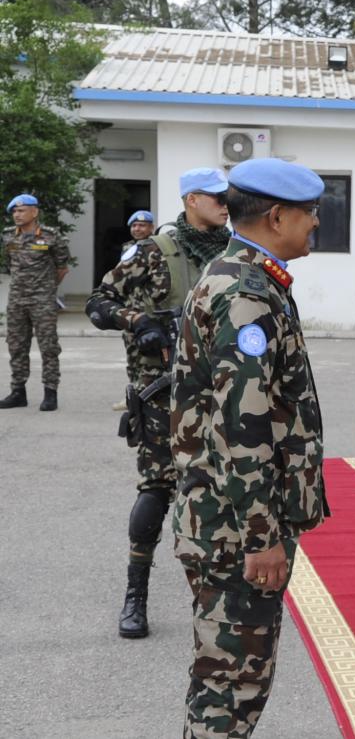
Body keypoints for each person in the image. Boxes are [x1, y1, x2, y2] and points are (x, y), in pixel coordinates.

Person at [169, 158, 329, 738]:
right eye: (310, 212)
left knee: (227, 677)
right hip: (235, 528)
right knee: (233, 686)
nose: (316, 222)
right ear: (277, 216)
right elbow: (244, 427)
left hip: (223, 516)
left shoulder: (242, 276)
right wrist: (261, 538)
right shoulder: (246, 294)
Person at [85, 168, 233, 639]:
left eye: (228, 197)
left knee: (221, 489)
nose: (225, 204)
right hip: (162, 394)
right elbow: (98, 303)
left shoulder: (234, 253)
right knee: (156, 488)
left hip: (221, 392)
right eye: (216, 197)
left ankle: (217, 595)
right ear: (191, 200)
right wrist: (139, 322)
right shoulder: (153, 252)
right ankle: (136, 596)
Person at [1, 193, 71, 411]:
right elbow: (11, 265)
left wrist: (46, 289)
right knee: (16, 345)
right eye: (14, 211)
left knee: (48, 346)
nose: (17, 215)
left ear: (34, 212)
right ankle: (18, 392)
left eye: (21, 211)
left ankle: (50, 393)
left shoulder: (51, 236)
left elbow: (62, 268)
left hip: (42, 300)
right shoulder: (8, 236)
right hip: (16, 300)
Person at [114, 210, 158, 409]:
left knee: (151, 357)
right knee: (132, 354)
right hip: (130, 311)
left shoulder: (157, 247)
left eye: (142, 225)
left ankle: (150, 396)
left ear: (151, 228)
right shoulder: (127, 248)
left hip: (151, 310)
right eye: (134, 225)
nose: (137, 229)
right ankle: (132, 395)